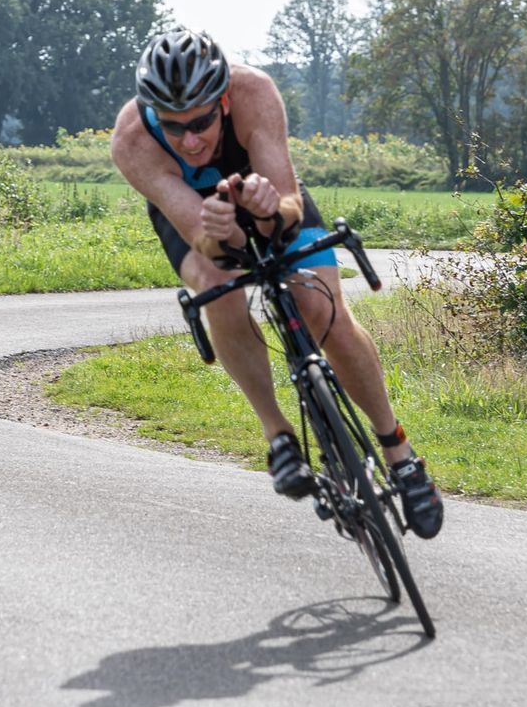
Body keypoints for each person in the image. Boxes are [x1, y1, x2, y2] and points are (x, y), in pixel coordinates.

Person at [109, 28, 442, 538]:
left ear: (222, 100)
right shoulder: (133, 141)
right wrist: (219, 233)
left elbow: (287, 206)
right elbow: (204, 239)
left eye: (200, 121)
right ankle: (278, 434)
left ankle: (398, 451)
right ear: (153, 114)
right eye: (175, 128)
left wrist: (266, 212)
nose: (191, 139)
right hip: (197, 223)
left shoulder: (253, 92)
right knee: (214, 280)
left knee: (320, 305)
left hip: (268, 192)